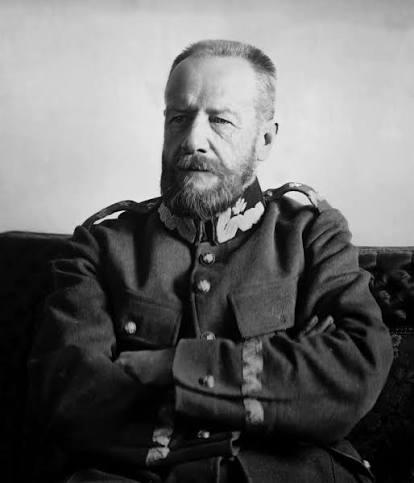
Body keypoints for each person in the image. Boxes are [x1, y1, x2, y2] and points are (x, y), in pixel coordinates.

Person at [26, 39, 393, 483]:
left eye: (220, 120)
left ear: (265, 139)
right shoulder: (101, 247)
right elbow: (71, 397)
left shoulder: (312, 236)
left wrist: (170, 366)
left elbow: (351, 375)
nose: (193, 139)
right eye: (178, 118)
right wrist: (281, 382)